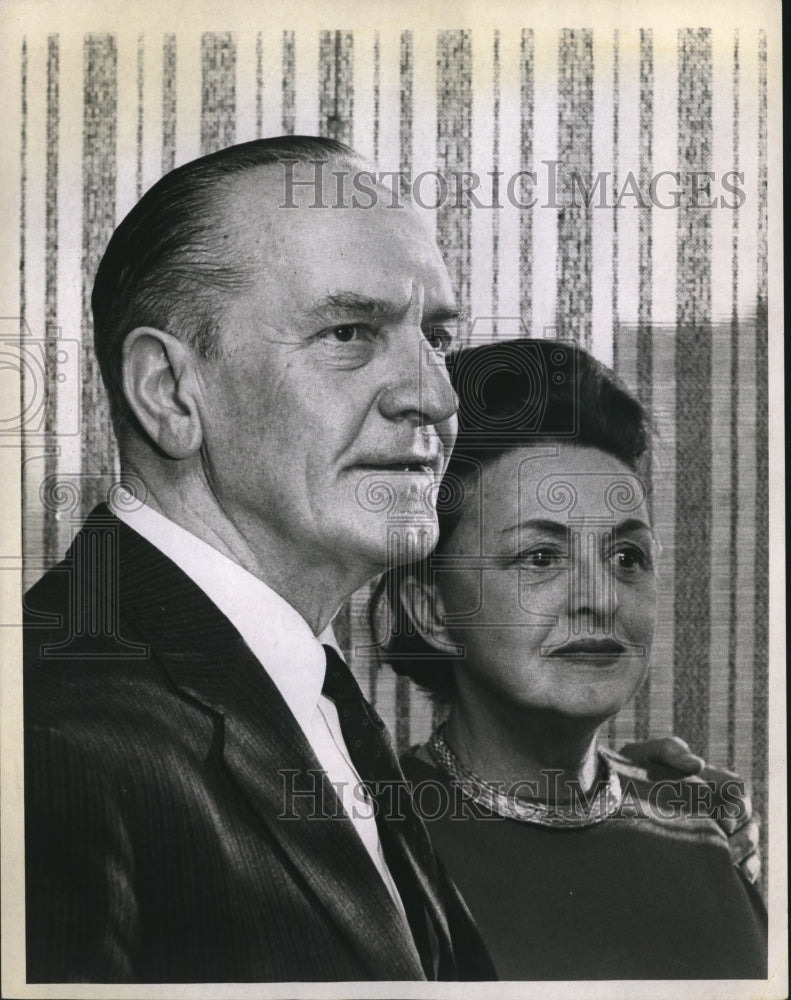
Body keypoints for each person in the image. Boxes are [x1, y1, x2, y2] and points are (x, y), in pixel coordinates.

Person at [23, 136, 753, 984]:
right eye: (348, 331)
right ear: (168, 392)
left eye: (435, 337)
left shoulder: (312, 702)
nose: (435, 395)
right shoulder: (46, 733)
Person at [379, 338, 767, 980]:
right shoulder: (370, 839)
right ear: (432, 610)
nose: (600, 600)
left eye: (627, 557)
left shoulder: (704, 826)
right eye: (540, 556)